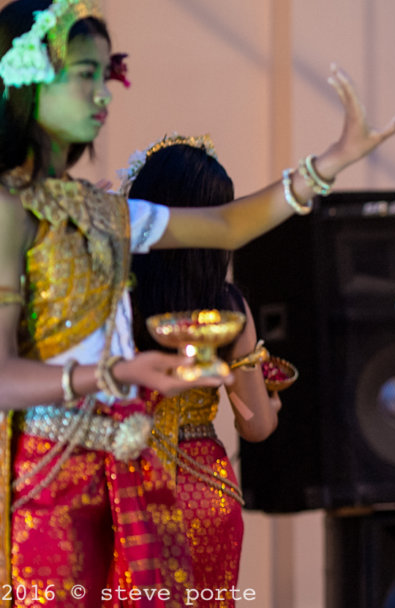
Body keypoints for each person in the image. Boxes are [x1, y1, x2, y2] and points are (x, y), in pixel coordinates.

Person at [0, 0, 395, 607]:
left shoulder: (103, 212)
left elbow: (226, 223)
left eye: (106, 75)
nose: (101, 93)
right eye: (83, 74)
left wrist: (331, 162)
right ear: (26, 79)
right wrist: (112, 375)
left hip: (123, 474)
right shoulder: (11, 209)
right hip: (49, 477)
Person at [122, 135, 281, 608]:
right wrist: (270, 401)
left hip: (128, 479)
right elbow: (255, 425)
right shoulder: (228, 307)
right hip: (204, 491)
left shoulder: (112, 296)